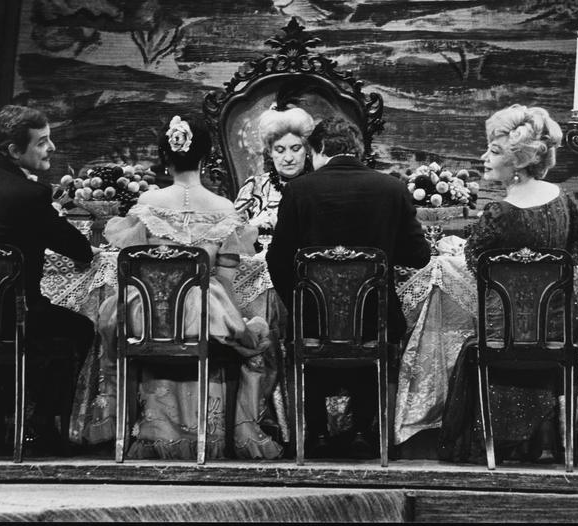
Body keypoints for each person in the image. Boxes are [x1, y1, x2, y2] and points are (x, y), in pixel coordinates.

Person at [83, 114, 284, 459]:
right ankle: (222, 430)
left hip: (146, 317)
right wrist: (234, 319)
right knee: (254, 335)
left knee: (112, 321)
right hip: (206, 316)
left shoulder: (147, 206)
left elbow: (131, 267)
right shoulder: (224, 210)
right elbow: (226, 281)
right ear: (205, 157)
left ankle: (130, 425)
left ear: (166, 157)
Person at [0, 104, 99, 453]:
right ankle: (40, 427)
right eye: (42, 142)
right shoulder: (31, 195)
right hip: (17, 317)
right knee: (77, 329)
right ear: (13, 150)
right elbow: (79, 249)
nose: (51, 148)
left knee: (22, 325)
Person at [266, 116, 431, 458]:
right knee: (373, 328)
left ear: (318, 149)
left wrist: (299, 304)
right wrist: (382, 252)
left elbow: (277, 260)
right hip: (375, 319)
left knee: (310, 330)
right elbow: (419, 256)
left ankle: (316, 434)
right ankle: (364, 432)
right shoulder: (392, 189)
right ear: (357, 150)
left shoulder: (298, 191)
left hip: (313, 321)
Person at [438, 104, 578, 464]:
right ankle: (537, 439)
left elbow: (477, 262)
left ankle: (507, 442)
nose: (483, 158)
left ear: (518, 161)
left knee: (475, 344)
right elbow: (577, 254)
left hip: (506, 334)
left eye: (494, 151)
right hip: (557, 330)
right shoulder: (564, 201)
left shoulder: (498, 212)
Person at [233, 105, 314, 233]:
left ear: (306, 150)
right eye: (280, 150)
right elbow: (233, 233)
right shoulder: (255, 187)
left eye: (295, 149)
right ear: (270, 152)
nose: (288, 158)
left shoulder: (320, 186)